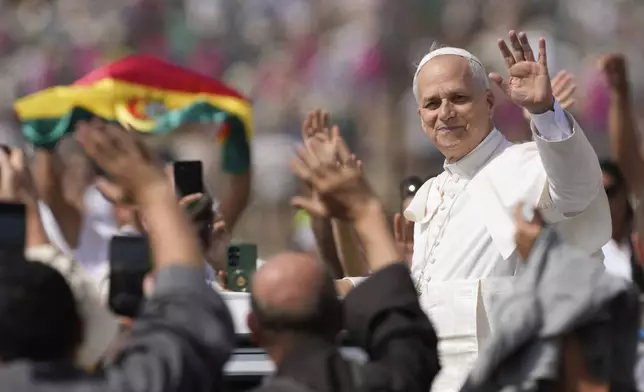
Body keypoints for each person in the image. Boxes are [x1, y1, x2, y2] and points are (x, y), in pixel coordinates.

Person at [406, 32, 610, 391]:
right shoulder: (431, 194)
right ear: (420, 115)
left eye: (458, 97)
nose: (445, 112)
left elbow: (577, 190)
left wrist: (545, 111)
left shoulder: (527, 165)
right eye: (432, 103)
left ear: (488, 101)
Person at [0, 120, 236, 391]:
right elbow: (190, 317)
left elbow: (234, 305)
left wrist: (224, 257)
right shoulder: (139, 382)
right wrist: (153, 191)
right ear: (82, 330)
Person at [250, 131, 440, 392]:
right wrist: (364, 212)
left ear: (254, 330)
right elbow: (403, 333)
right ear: (341, 317)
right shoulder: (393, 383)